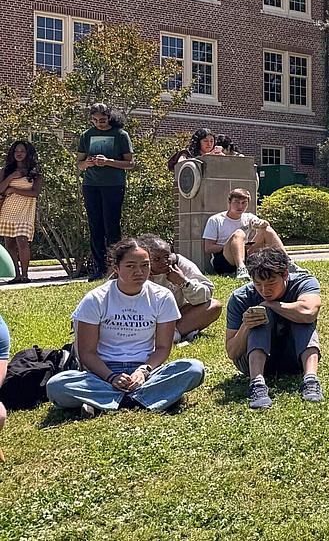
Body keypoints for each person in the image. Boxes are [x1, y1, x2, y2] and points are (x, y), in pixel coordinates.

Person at [45, 239, 206, 417]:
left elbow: (162, 348)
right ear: (116, 268)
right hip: (102, 372)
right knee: (57, 385)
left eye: (145, 265)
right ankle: (144, 399)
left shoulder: (162, 297)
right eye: (131, 266)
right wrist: (111, 377)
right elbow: (87, 353)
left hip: (146, 370)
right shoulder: (96, 299)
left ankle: (107, 402)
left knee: (194, 369)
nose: (139, 272)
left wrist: (143, 371)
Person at [225, 247, 323, 408]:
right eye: (258, 284)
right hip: (251, 362)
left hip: (294, 358)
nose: (265, 290)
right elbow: (232, 352)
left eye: (271, 283)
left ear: (285, 274)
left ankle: (311, 380)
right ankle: (256, 384)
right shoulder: (240, 297)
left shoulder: (304, 283)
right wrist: (246, 326)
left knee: (300, 316)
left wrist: (271, 305)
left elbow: (308, 312)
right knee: (261, 316)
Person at [76, 103, 134, 281]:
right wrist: (89, 163)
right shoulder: (86, 135)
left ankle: (115, 268)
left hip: (113, 185)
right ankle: (99, 268)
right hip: (91, 185)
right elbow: (79, 163)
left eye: (102, 120)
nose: (98, 123)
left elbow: (130, 163)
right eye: (94, 120)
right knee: (95, 226)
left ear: (109, 117)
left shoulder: (121, 135)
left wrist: (108, 161)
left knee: (111, 227)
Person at [137, 234, 221, 342]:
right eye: (157, 259)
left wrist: (183, 282)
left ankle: (171, 335)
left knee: (214, 306)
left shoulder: (178, 263)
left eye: (166, 256)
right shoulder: (136, 270)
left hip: (177, 315)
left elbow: (207, 293)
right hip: (144, 320)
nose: (164, 262)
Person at [202, 188, 286, 277]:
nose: (240, 206)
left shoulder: (248, 217)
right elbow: (208, 248)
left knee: (267, 229)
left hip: (245, 255)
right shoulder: (215, 220)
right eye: (236, 202)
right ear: (229, 202)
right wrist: (233, 246)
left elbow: (257, 222)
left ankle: (287, 262)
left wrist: (263, 223)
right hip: (223, 260)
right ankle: (241, 269)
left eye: (244, 203)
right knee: (239, 233)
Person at [0, 140, 43, 284]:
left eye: (22, 151)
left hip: (25, 210)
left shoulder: (35, 171)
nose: (19, 153)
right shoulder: (6, 170)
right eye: (16, 151)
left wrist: (14, 190)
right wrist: (12, 177)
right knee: (10, 243)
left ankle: (25, 275)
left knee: (22, 240)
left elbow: (35, 192)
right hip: (8, 210)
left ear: (28, 153)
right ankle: (16, 275)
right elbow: (1, 189)